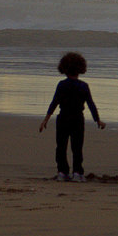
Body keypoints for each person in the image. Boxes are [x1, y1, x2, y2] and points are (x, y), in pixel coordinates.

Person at [39, 52, 105, 181]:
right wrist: (98, 120)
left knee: (61, 146)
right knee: (77, 147)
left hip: (63, 118)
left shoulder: (61, 85)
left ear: (63, 68)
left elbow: (54, 102)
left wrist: (46, 119)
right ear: (81, 68)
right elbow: (91, 104)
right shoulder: (83, 86)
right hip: (77, 119)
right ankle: (77, 172)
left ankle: (62, 172)